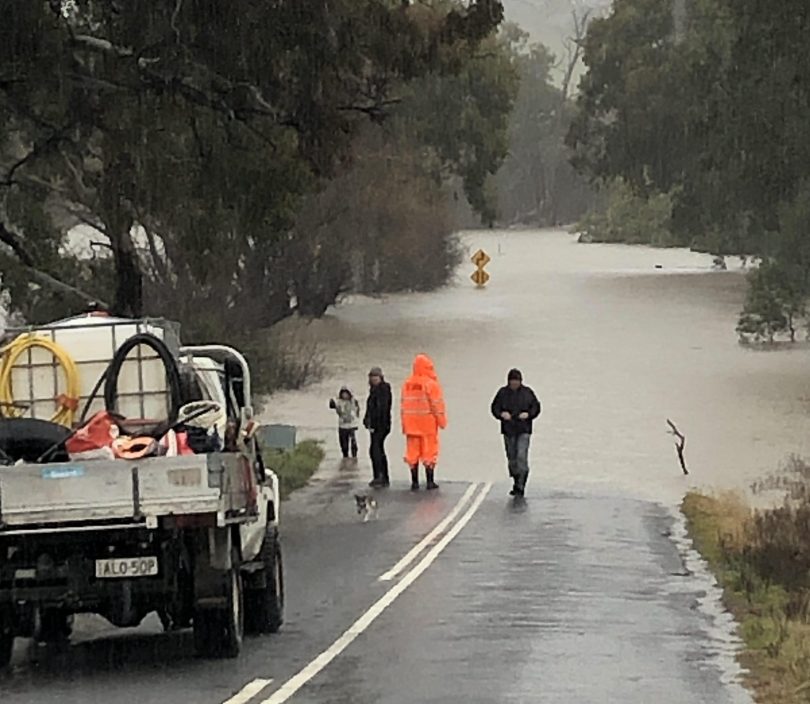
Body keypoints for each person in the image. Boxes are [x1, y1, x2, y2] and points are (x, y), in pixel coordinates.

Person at [490, 368, 541, 497]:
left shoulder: (528, 393)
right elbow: (494, 407)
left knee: (521, 457)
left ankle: (521, 485)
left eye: (516, 381)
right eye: (512, 382)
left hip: (524, 430)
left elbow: (536, 407)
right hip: (508, 430)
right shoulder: (502, 393)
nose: (514, 384)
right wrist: (501, 414)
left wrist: (528, 414)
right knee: (512, 458)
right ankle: (516, 479)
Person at [401, 354, 447, 491]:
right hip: (427, 425)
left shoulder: (407, 384)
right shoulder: (431, 384)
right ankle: (430, 481)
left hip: (411, 425)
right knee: (429, 452)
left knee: (412, 453)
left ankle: (414, 482)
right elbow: (437, 405)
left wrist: (404, 424)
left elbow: (403, 405)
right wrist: (442, 421)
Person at [363, 366, 392, 487]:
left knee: (375, 449)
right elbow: (370, 408)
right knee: (377, 449)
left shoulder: (383, 390)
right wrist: (366, 419)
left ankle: (379, 476)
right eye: (372, 377)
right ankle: (382, 476)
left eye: (376, 377)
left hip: (381, 425)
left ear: (380, 378)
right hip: (375, 425)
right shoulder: (373, 391)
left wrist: (375, 421)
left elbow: (382, 408)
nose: (374, 379)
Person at [329, 386, 360, 460]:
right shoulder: (339, 402)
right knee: (343, 443)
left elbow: (357, 410)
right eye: (343, 394)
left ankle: (354, 456)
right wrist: (331, 402)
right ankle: (345, 456)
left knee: (353, 442)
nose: (345, 395)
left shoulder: (353, 401)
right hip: (342, 425)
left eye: (346, 394)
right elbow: (332, 405)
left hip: (352, 425)